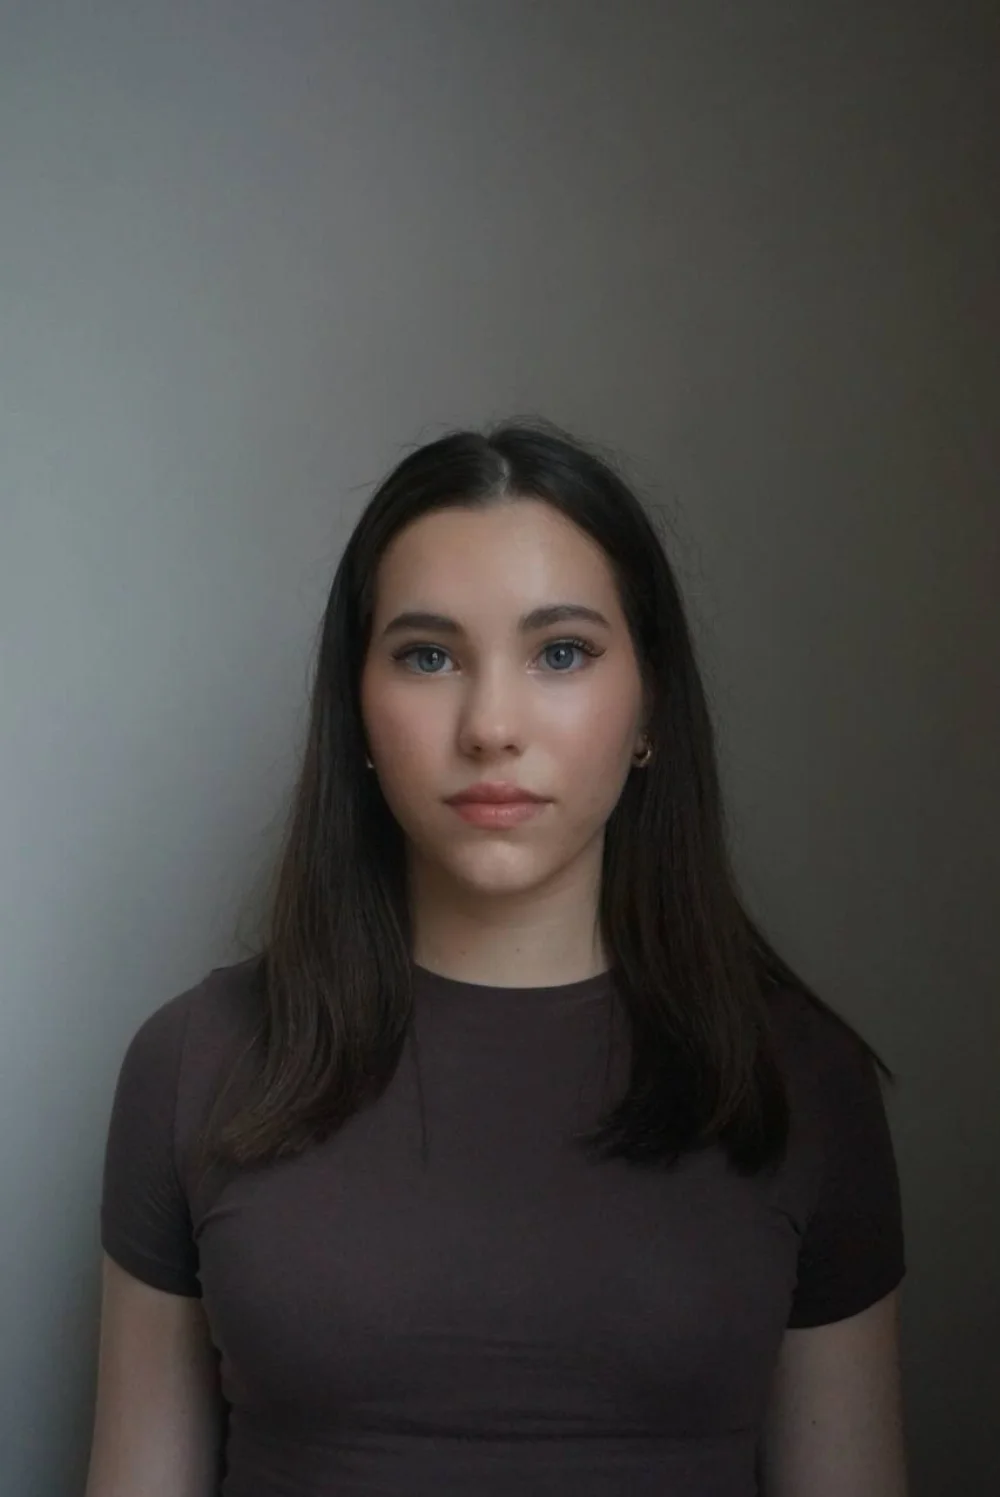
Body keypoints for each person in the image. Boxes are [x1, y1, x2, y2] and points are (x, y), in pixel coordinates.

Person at [85, 422, 908, 1497]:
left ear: (651, 705)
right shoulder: (196, 1062)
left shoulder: (803, 1080)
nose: (490, 726)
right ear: (358, 713)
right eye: (428, 656)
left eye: (560, 652)